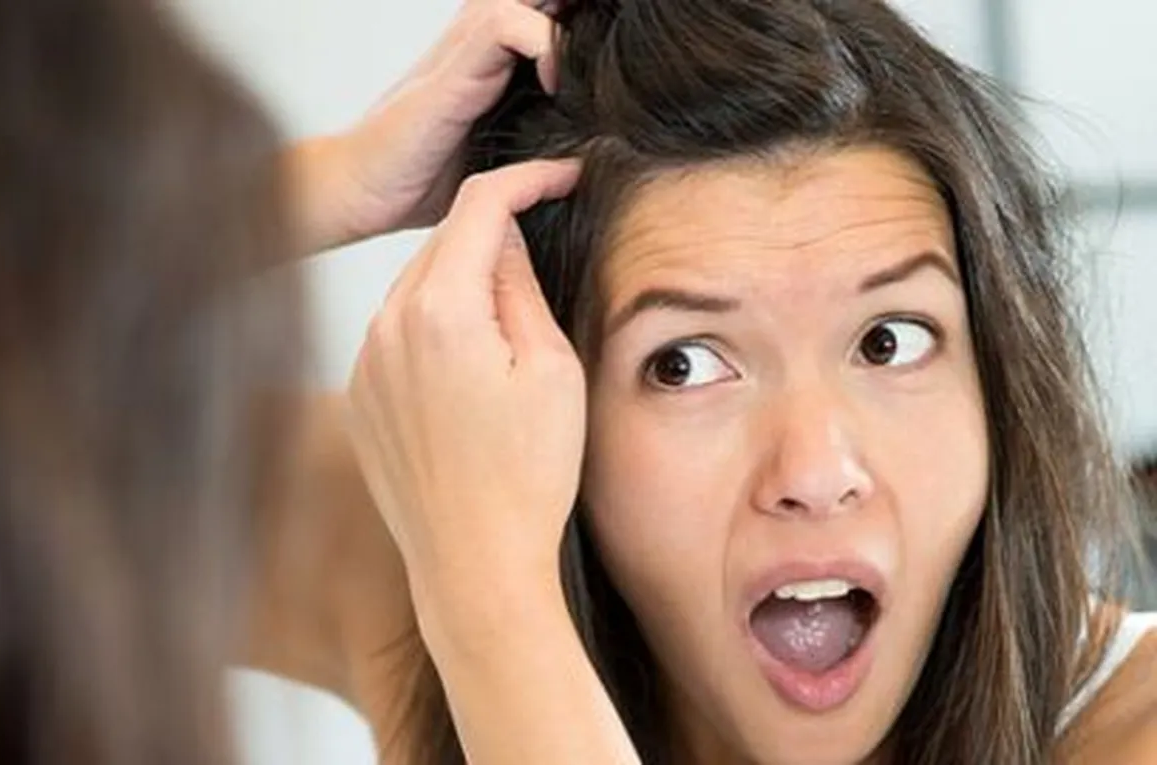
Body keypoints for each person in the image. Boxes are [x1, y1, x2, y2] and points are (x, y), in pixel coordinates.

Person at [0, 0, 639, 763]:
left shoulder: (467, 561)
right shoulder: (430, 540)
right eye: (679, 362)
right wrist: (321, 186)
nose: (765, 474)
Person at [340, 1, 1157, 764]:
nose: (816, 472)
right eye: (684, 363)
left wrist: (491, 613)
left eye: (887, 342)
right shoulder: (449, 532)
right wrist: (341, 184)